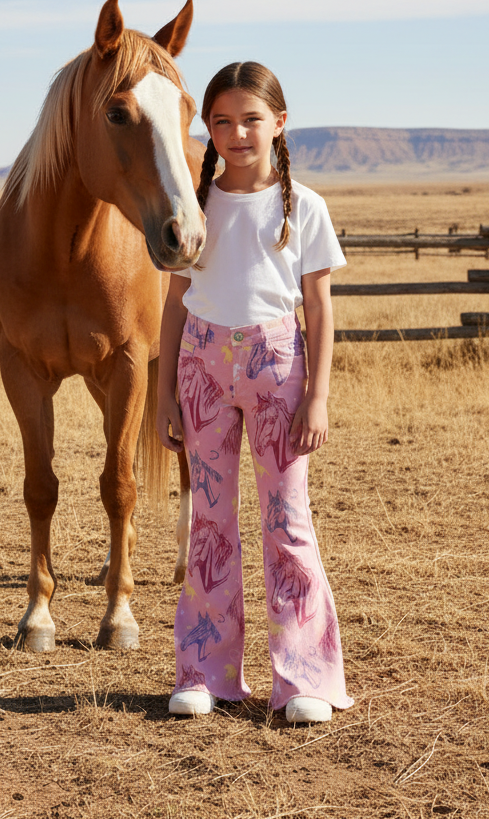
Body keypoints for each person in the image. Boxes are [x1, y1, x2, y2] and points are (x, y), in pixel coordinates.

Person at [156, 61, 354, 723]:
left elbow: (318, 310)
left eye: (249, 119)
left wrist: (317, 396)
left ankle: (303, 678)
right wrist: (164, 396)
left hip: (278, 371)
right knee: (210, 525)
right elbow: (174, 305)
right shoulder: (195, 203)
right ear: (206, 129)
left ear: (279, 123)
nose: (236, 132)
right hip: (201, 368)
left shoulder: (306, 208)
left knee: (286, 523)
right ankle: (204, 672)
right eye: (220, 121)